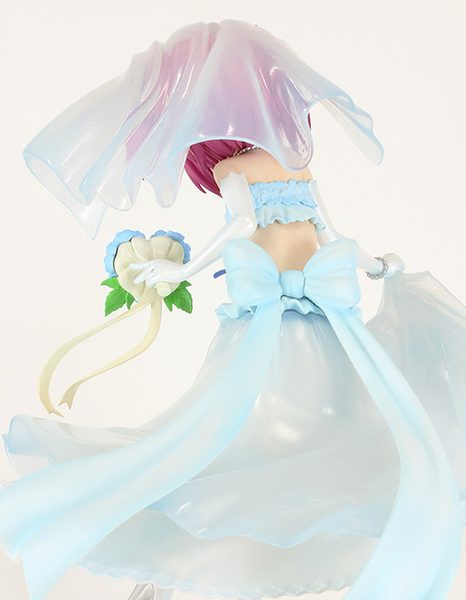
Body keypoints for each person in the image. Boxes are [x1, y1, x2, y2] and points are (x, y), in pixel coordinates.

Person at [1, 18, 466, 600]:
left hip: (271, 327)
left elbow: (246, 226)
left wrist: (181, 271)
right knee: (316, 436)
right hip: (322, 324)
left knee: (227, 442)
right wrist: (376, 267)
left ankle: (242, 555)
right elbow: (330, 233)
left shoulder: (234, 168)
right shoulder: (298, 166)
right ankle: (267, 554)